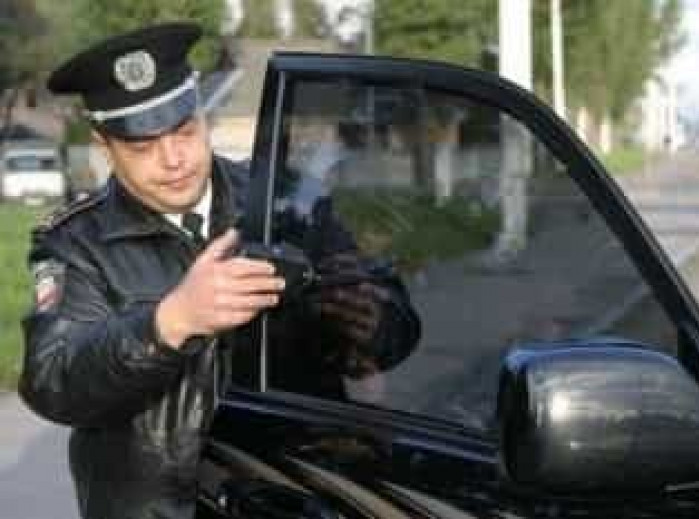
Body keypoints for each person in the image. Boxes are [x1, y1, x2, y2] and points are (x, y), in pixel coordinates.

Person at [18, 22, 419, 519]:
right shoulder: (76, 242)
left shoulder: (284, 201)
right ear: (105, 145)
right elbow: (53, 382)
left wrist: (372, 324)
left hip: (293, 494)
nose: (173, 160)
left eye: (185, 131)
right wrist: (168, 323)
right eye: (142, 147)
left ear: (203, 116)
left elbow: (397, 326)